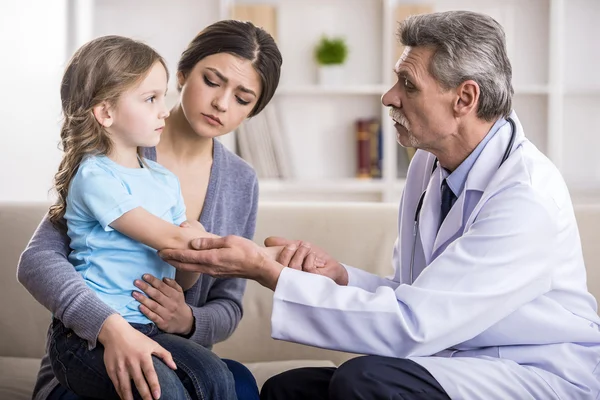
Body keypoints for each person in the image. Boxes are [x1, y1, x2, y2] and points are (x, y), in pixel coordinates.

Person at [158, 11, 600, 400]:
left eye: (408, 84)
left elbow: (412, 324)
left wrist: (265, 269)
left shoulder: (525, 197)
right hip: (456, 356)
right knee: (286, 389)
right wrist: (340, 276)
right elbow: (413, 295)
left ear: (464, 99)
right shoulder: (429, 163)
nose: (389, 97)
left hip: (532, 371)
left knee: (363, 381)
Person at [17, 20, 282, 400]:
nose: (222, 104)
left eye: (243, 99)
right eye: (212, 81)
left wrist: (189, 320)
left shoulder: (240, 181)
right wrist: (112, 328)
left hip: (169, 348)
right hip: (99, 346)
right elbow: (38, 261)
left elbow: (229, 302)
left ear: (252, 111)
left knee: (234, 383)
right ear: (183, 73)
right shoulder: (115, 152)